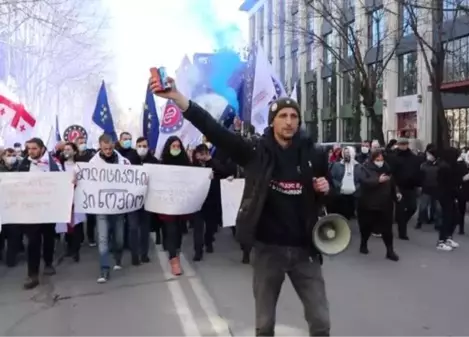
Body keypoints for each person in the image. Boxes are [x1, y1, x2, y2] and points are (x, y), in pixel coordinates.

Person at [151, 77, 331, 337]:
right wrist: (179, 99)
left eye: (294, 116)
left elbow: (325, 195)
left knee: (321, 321)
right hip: (269, 251)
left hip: (306, 250)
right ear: (273, 121)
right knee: (265, 325)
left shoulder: (314, 154)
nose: (289, 121)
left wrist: (325, 189)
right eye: (283, 115)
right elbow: (214, 130)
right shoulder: (255, 152)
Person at [17, 138, 63, 289]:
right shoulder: (23, 164)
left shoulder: (53, 162)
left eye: (34, 148)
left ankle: (48, 263)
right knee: (33, 241)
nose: (31, 151)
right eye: (29, 148)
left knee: (48, 237)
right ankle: (32, 274)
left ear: (42, 149)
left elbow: (62, 180)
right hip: (31, 210)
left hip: (48, 209)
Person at [90, 133, 131, 283]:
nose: (108, 151)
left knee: (119, 238)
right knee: (102, 238)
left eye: (110, 148)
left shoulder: (124, 162)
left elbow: (133, 177)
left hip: (118, 207)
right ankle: (104, 269)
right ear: (100, 146)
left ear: (114, 145)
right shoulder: (93, 163)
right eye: (105, 148)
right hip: (101, 207)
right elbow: (83, 176)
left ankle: (118, 258)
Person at [356, 149, 399, 261]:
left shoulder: (387, 169)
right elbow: (364, 181)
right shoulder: (365, 168)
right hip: (369, 204)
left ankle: (390, 251)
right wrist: (377, 180)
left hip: (385, 205)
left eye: (382, 159)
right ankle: (363, 244)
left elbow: (392, 183)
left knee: (387, 229)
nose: (380, 161)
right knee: (366, 227)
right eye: (377, 159)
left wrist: (397, 194)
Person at [157, 136, 192, 276]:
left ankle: (175, 251)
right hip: (168, 205)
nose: (176, 149)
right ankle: (174, 259)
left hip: (181, 205)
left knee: (178, 231)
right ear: (168, 147)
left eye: (178, 146)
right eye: (173, 146)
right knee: (171, 230)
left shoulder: (186, 163)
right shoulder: (162, 164)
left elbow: (195, 177)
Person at [59, 142, 86, 262]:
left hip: (77, 198)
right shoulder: (60, 165)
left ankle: (76, 249)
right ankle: (69, 247)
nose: (66, 151)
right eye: (65, 149)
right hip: (65, 198)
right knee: (67, 224)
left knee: (77, 224)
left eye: (69, 149)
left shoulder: (79, 166)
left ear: (75, 152)